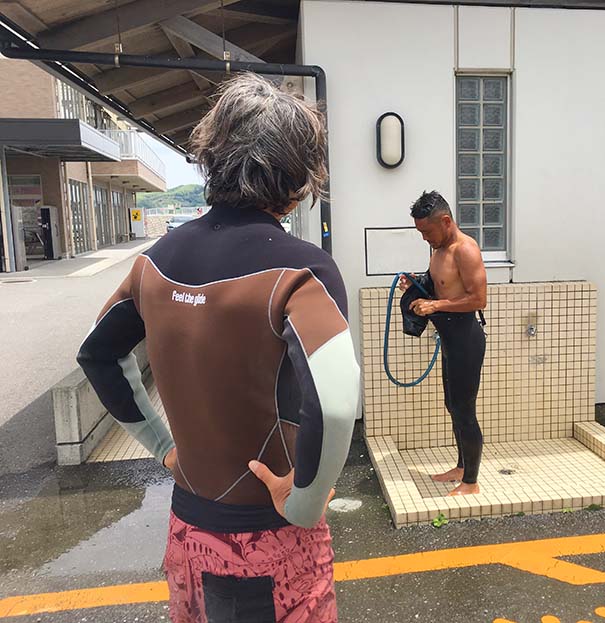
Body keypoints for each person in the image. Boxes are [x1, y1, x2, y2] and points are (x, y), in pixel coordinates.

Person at [77, 73, 360, 623]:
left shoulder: (156, 260)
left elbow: (97, 354)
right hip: (272, 539)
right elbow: (334, 401)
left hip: (189, 531)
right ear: (298, 175)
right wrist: (305, 501)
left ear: (213, 156)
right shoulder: (303, 269)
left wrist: (163, 447)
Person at [400, 191, 487, 496]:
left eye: (427, 231)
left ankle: (471, 482)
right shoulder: (438, 249)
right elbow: (440, 284)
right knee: (452, 406)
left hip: (466, 341)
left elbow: (479, 299)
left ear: (446, 221)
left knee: (465, 411)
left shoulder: (466, 250)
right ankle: (462, 467)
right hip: (450, 341)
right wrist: (417, 284)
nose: (424, 238)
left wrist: (435, 306)